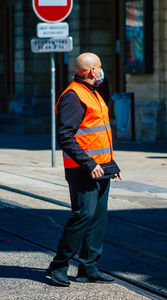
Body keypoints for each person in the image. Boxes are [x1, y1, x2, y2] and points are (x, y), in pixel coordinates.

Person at [46, 52, 122, 287]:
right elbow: (65, 136)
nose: (101, 70)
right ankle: (59, 265)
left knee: (98, 219)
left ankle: (88, 267)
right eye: (99, 67)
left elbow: (99, 135)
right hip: (83, 169)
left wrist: (111, 165)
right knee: (83, 216)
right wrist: (89, 163)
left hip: (101, 168)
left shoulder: (93, 93)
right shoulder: (73, 96)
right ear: (90, 71)